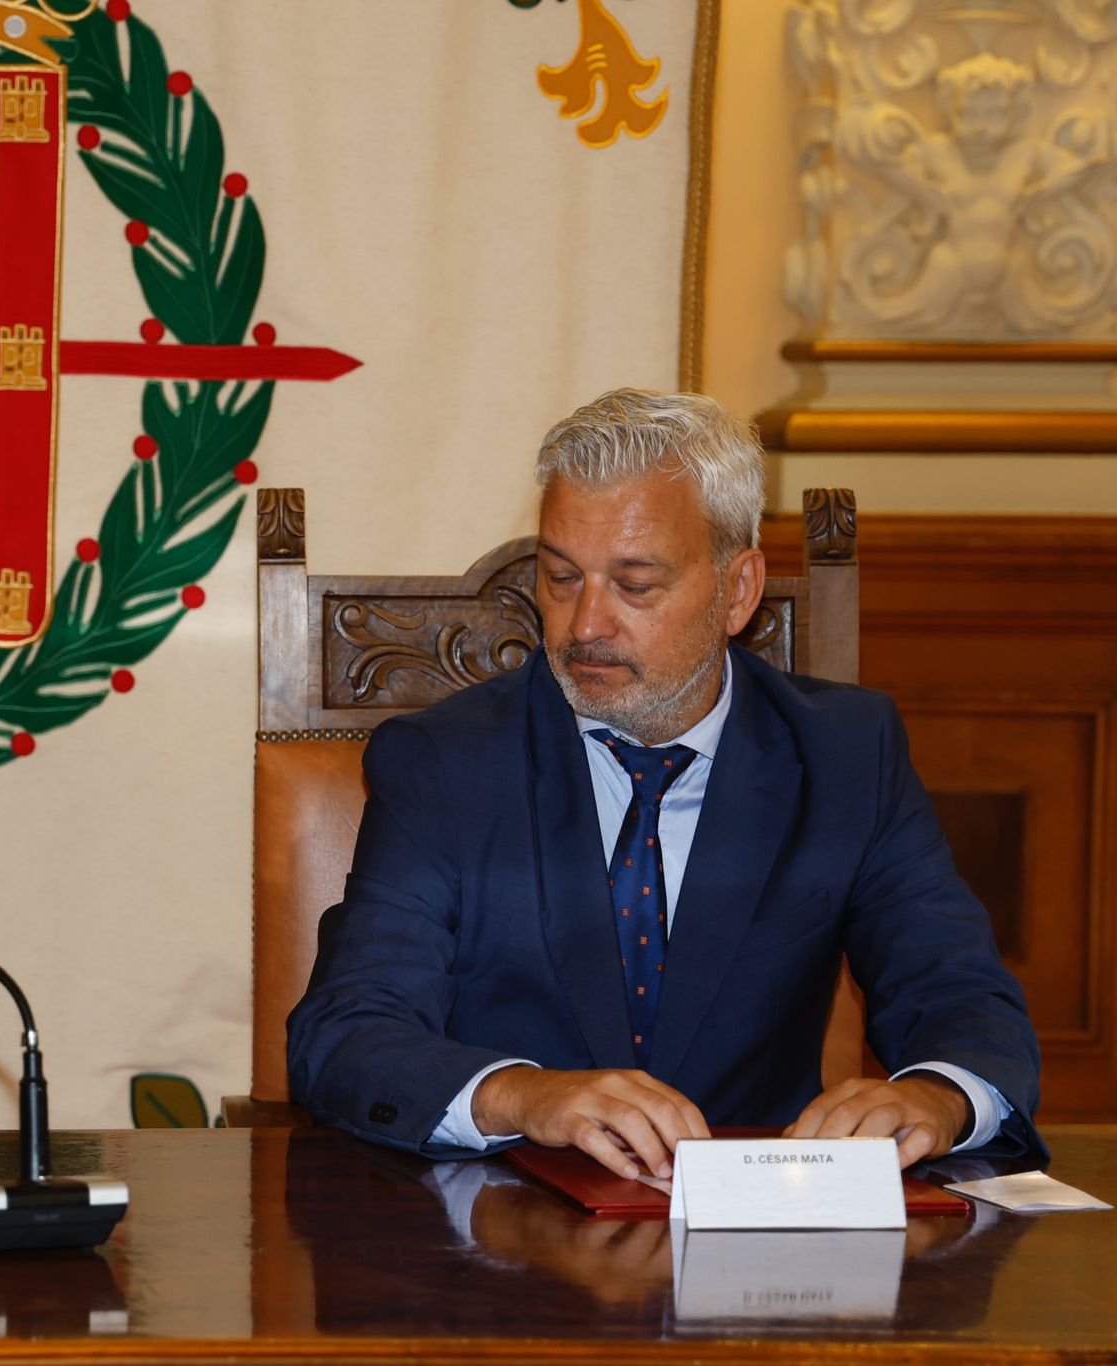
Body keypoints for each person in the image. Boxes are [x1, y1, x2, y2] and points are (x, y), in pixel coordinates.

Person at [286, 388, 1042, 1177]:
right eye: (561, 578)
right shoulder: (445, 763)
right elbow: (345, 1033)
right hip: (507, 1216)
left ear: (737, 591)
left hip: (761, 1222)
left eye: (635, 586)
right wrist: (519, 1095)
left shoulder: (846, 754)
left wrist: (939, 1097)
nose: (585, 626)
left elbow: (959, 995)